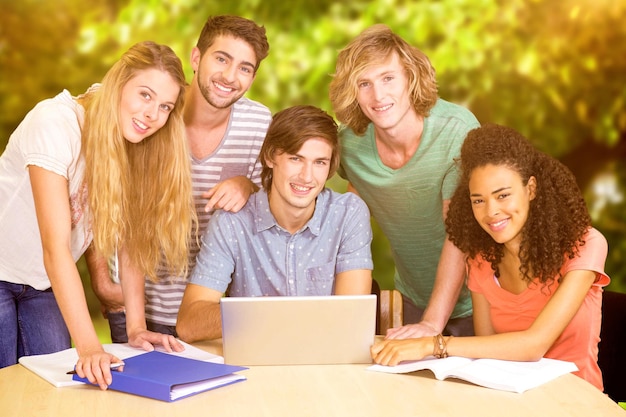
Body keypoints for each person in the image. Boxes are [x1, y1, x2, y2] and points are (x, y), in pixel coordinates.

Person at [0, 41, 194, 389]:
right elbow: (55, 247)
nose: (153, 115)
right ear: (119, 83)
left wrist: (135, 327)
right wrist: (88, 347)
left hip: (41, 285)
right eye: (145, 95)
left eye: (165, 106)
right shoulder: (55, 123)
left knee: (54, 389)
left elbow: (130, 239)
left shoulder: (132, 141)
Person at [371, 124, 610, 391]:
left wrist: (432, 344)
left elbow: (534, 345)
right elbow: (487, 348)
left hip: (575, 400)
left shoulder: (585, 244)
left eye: (503, 195)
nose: (491, 211)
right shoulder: (481, 258)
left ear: (531, 189)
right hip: (509, 398)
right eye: (478, 200)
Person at [87, 15, 272, 341]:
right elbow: (99, 190)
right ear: (196, 58)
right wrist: (103, 281)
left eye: (245, 68)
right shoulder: (153, 113)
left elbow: (270, 211)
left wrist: (248, 185)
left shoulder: (258, 123)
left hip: (208, 309)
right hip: (134, 304)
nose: (230, 76)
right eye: (221, 59)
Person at [329, 24, 480, 339]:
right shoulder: (351, 147)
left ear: (410, 77)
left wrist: (432, 325)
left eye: (388, 78)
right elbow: (351, 209)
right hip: (412, 298)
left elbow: (459, 234)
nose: (378, 95)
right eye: (364, 83)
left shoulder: (456, 131)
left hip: (480, 302)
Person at [176, 105, 374, 342]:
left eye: (319, 162)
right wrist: (259, 312)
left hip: (325, 365)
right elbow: (188, 324)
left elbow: (351, 322)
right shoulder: (232, 222)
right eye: (295, 158)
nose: (307, 176)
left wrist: (279, 316)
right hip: (255, 368)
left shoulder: (348, 215)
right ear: (270, 157)